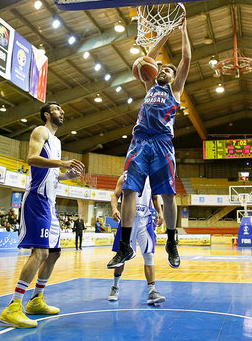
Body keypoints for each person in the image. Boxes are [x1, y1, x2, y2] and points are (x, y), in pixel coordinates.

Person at [108, 17, 190, 270]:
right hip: (139, 142)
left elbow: (186, 60)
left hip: (163, 143)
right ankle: (124, 247)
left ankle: (172, 242)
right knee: (130, 191)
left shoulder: (174, 91)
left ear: (175, 78)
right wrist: (164, 34)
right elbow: (147, 60)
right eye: (161, 69)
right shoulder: (149, 85)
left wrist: (184, 30)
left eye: (168, 70)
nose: (163, 71)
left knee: (167, 194)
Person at [0, 102, 84, 329]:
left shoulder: (56, 141)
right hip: (36, 198)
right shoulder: (41, 131)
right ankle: (13, 306)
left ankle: (36, 299)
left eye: (62, 110)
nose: (62, 111)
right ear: (47, 114)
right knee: (40, 253)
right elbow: (32, 159)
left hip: (50, 202)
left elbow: (54, 175)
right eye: (57, 109)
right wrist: (62, 163)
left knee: (54, 253)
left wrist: (68, 174)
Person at [108, 176, 166, 305]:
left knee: (149, 255)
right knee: (121, 255)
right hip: (128, 220)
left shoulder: (152, 179)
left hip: (146, 220)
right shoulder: (124, 177)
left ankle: (152, 291)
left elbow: (155, 198)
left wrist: (160, 213)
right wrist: (114, 209)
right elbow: (115, 196)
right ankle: (115, 287)